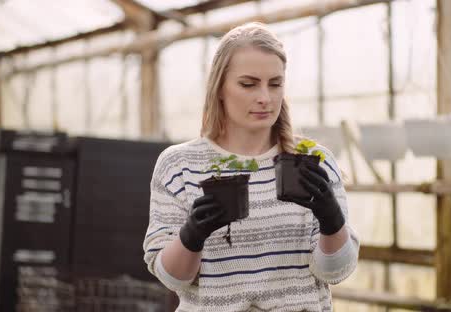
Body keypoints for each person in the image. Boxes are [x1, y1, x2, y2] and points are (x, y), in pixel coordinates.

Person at [143, 22, 359, 312]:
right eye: (248, 84)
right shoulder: (179, 165)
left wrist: (331, 219)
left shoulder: (313, 161)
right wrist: (192, 234)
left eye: (275, 83)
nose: (265, 98)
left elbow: (336, 271)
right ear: (219, 87)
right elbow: (173, 279)